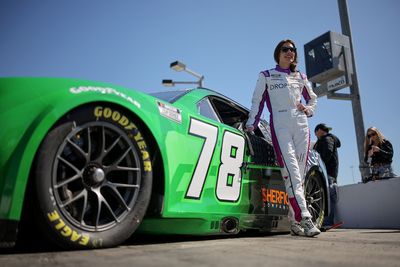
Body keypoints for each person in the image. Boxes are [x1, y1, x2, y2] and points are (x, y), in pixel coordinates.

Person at [246, 39, 320, 237]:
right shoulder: (267, 75)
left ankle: (294, 222)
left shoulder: (301, 76)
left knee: (300, 176)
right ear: (278, 53)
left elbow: (313, 98)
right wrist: (251, 123)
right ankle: (305, 217)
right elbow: (257, 101)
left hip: (302, 126)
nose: (290, 52)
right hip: (280, 126)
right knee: (292, 172)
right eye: (286, 49)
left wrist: (309, 109)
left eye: (293, 50)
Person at [313, 123, 341, 227]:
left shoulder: (326, 139)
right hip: (330, 173)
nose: (316, 135)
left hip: (327, 173)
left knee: (328, 197)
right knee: (328, 196)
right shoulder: (328, 139)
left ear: (319, 131)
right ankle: (327, 221)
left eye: (316, 133)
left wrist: (320, 164)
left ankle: (328, 221)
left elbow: (327, 154)